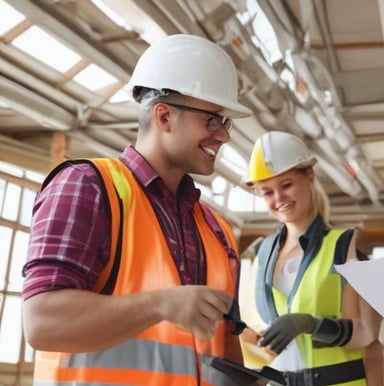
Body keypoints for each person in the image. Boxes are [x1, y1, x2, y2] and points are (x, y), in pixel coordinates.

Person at [22, 34, 252, 385]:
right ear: (164, 116)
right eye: (212, 120)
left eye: (225, 122)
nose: (223, 136)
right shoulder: (89, 187)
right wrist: (161, 304)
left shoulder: (216, 230)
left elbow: (226, 351)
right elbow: (42, 323)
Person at [239, 130, 384, 386]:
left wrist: (311, 323)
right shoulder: (262, 252)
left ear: (310, 178)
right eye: (267, 192)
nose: (278, 199)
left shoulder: (344, 246)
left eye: (286, 185)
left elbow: (367, 334)